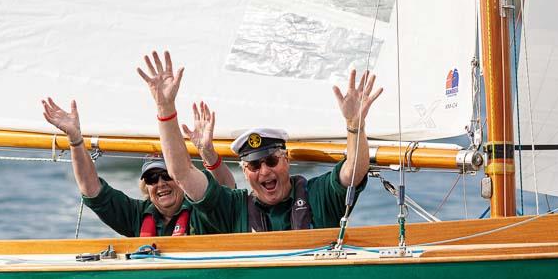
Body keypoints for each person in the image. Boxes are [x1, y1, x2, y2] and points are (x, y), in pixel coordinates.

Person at [137, 50, 383, 233]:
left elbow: (354, 170)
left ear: (286, 161)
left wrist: (355, 125)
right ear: (245, 171)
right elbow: (181, 173)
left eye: (271, 161)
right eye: (255, 166)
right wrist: (165, 107)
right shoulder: (232, 209)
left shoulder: (319, 195)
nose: (264, 171)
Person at [41, 97, 235, 237]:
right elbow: (92, 191)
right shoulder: (137, 215)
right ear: (145, 186)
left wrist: (208, 151)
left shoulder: (204, 211)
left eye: (166, 175)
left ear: (182, 178)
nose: (160, 183)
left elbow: (227, 193)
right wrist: (75, 139)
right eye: (151, 178)